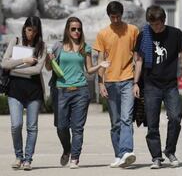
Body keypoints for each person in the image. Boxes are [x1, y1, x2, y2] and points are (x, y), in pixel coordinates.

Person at [46, 17, 110, 169]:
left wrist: (100, 64)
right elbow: (49, 68)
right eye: (73, 29)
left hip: (81, 91)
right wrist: (49, 60)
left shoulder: (85, 47)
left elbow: (88, 70)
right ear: (67, 30)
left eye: (79, 29)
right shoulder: (58, 46)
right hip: (61, 90)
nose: (76, 32)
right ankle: (67, 149)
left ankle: (75, 157)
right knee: (61, 126)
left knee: (77, 127)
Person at [133, 5, 182, 169]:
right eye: (152, 25)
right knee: (152, 123)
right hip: (151, 85)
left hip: (170, 85)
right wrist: (135, 83)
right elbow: (139, 60)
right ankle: (156, 157)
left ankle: (170, 150)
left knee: (175, 117)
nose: (155, 28)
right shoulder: (144, 35)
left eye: (158, 24)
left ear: (164, 21)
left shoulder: (175, 34)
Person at [93, 1, 139, 168]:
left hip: (127, 79)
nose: (116, 20)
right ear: (109, 16)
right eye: (113, 17)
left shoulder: (132, 30)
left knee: (126, 118)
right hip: (110, 82)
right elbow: (99, 60)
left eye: (118, 16)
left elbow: (137, 57)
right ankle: (119, 155)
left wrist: (137, 82)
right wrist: (100, 83)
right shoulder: (103, 34)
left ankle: (127, 150)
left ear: (122, 14)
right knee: (115, 123)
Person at [1, 16, 47, 171]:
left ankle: (28, 159)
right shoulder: (15, 41)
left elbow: (37, 69)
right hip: (15, 90)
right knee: (16, 125)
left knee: (32, 127)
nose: (31, 34)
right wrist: (23, 60)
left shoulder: (42, 46)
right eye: (29, 30)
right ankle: (18, 156)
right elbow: (4, 63)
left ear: (38, 31)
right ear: (24, 28)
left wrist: (13, 70)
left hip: (34, 91)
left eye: (34, 31)